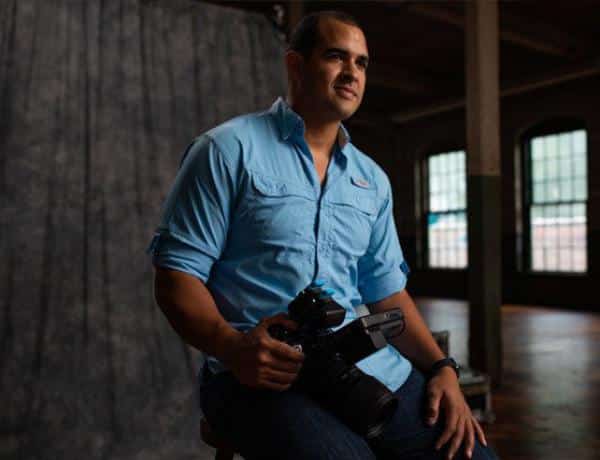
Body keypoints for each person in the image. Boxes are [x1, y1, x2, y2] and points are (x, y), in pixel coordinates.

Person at [148, 10, 498, 460]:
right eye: (336, 56)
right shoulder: (225, 150)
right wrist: (232, 348)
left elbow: (387, 293)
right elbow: (176, 277)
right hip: (260, 375)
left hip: (366, 369)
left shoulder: (372, 180)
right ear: (296, 65)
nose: (352, 72)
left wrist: (441, 367)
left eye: (361, 62)